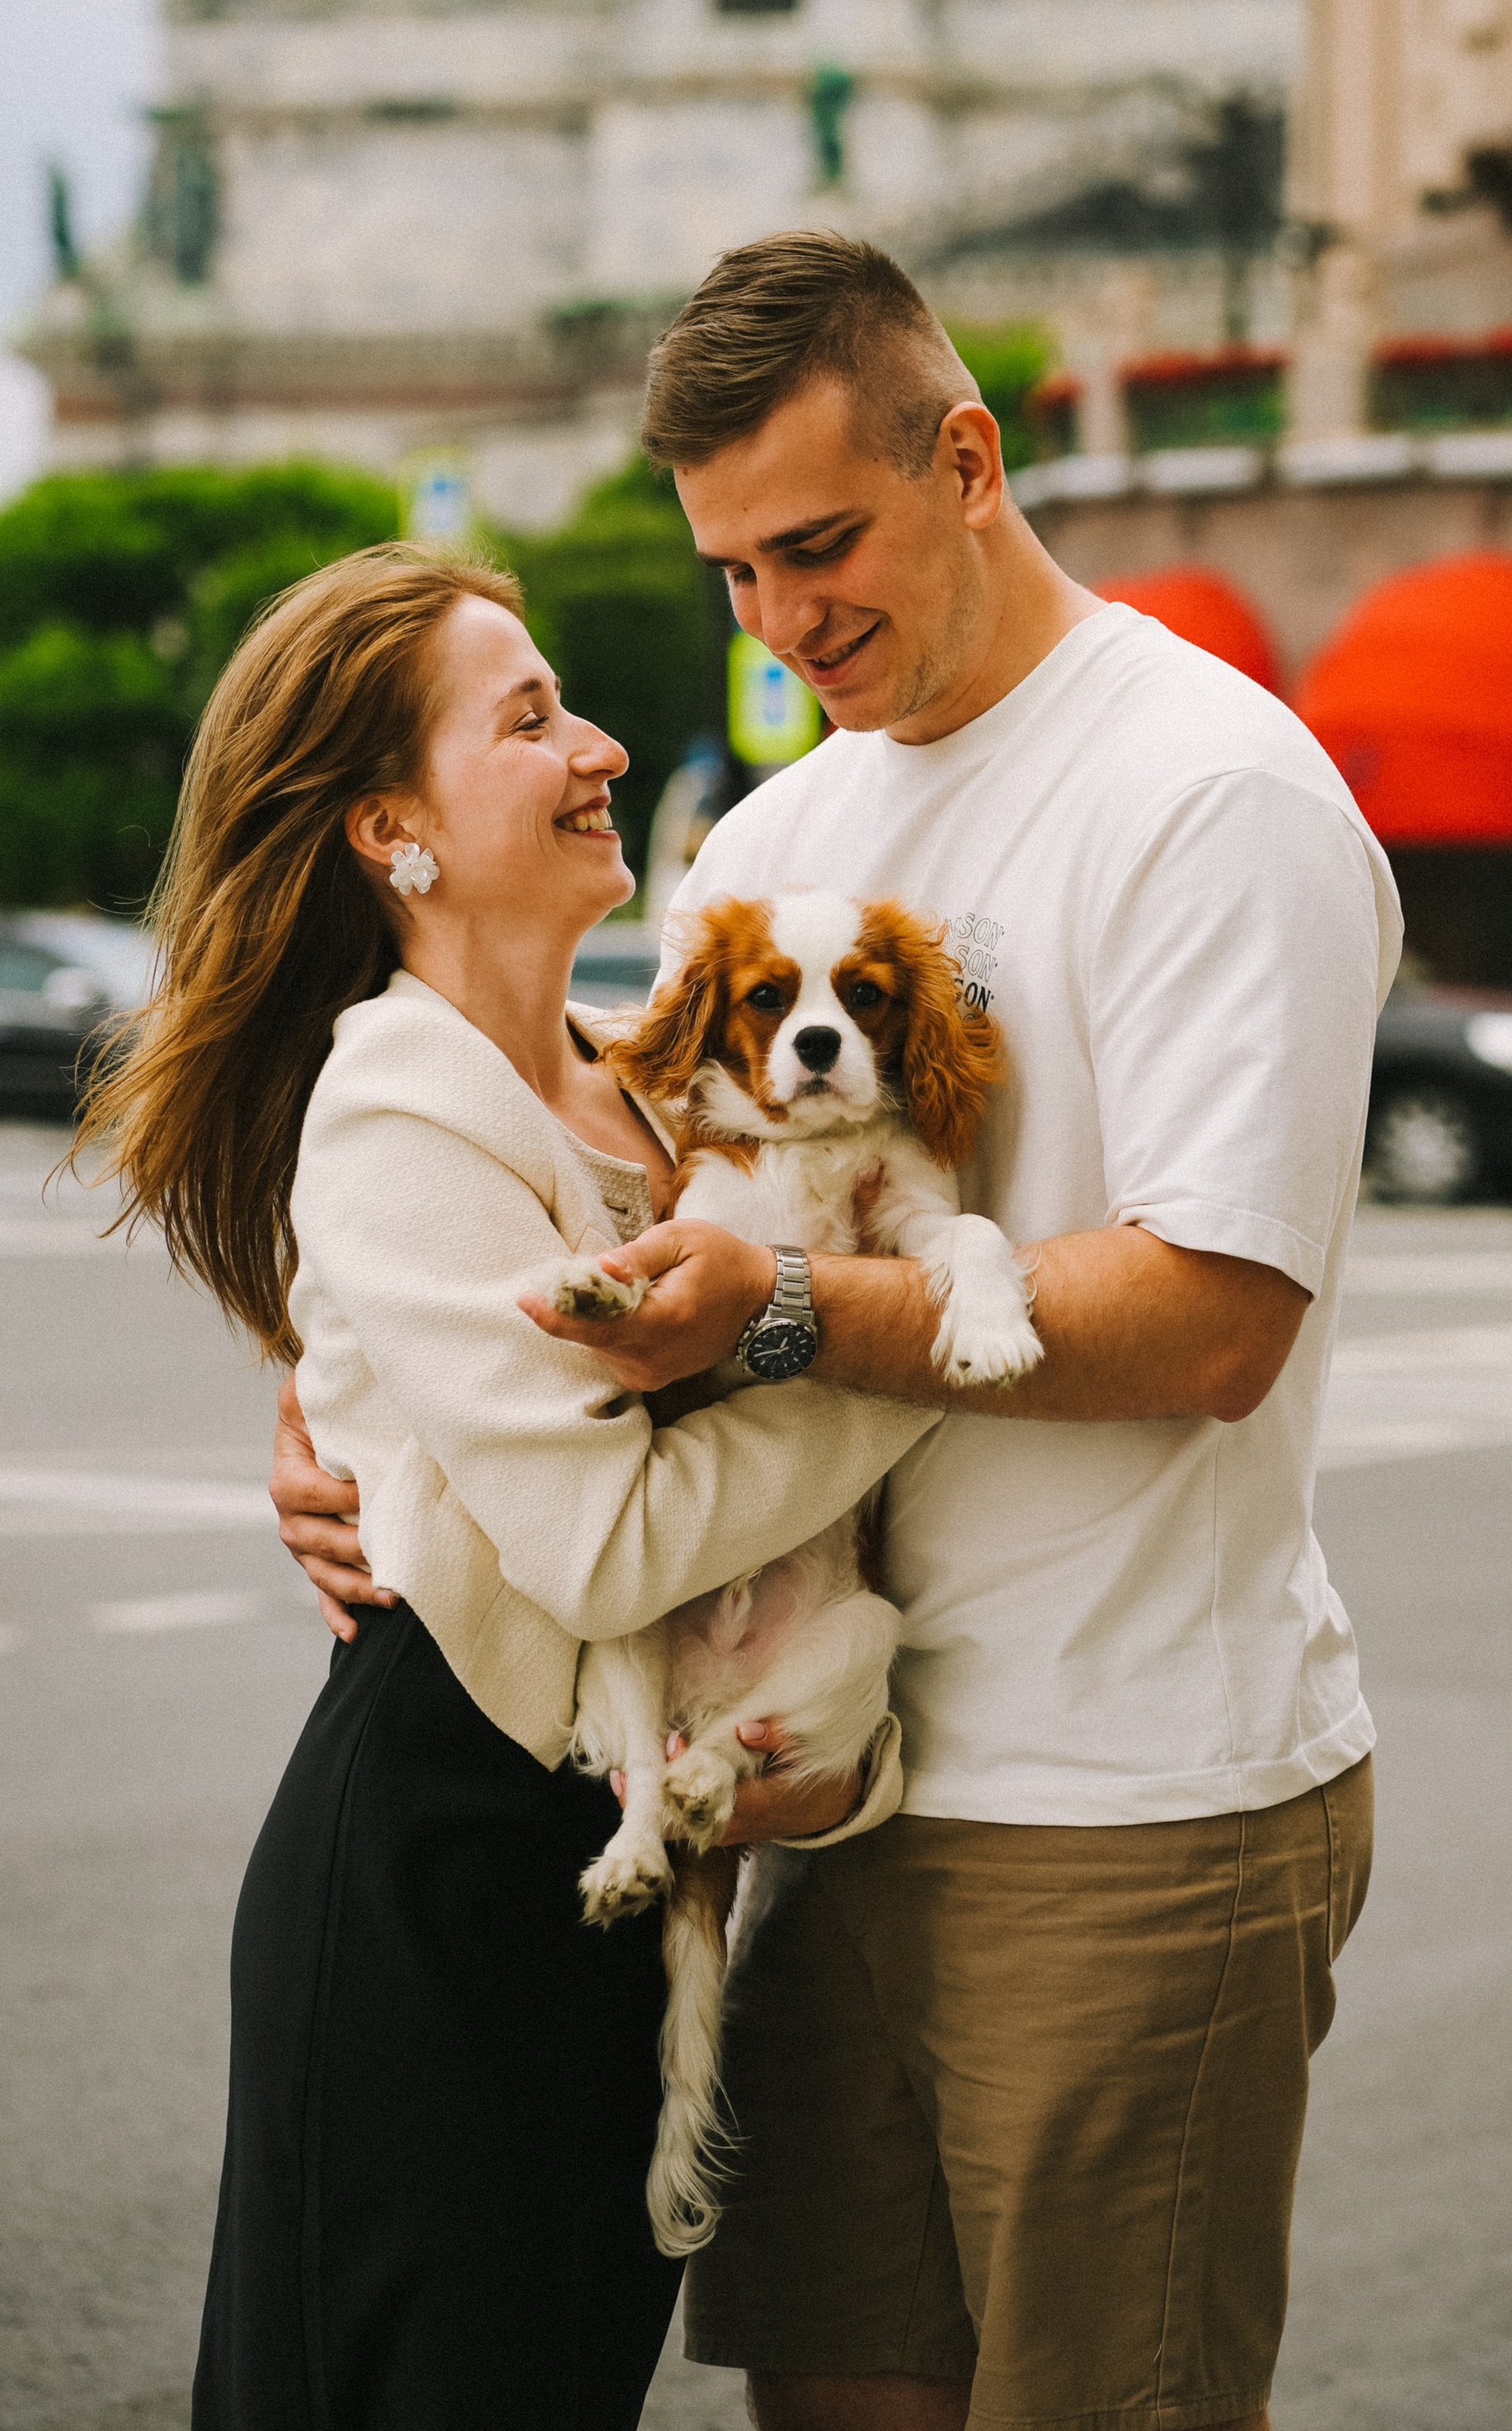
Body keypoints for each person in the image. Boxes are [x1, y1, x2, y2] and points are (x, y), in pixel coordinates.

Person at [275, 233, 1404, 2431]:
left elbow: (1210, 1316)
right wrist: (369, 1441)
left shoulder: (1208, 790)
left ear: (968, 459)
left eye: (821, 545)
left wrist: (789, 1311)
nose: (784, 620)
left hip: (1131, 1799)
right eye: (734, 574)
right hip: (824, 1805)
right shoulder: (778, 833)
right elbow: (584, 1199)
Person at [90, 546, 927, 2431]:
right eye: (532, 716)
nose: (603, 745)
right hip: (439, 1884)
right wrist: (909, 1362)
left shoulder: (644, 1086)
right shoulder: (396, 1095)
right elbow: (609, 1544)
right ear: (393, 827)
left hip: (603, 1899)